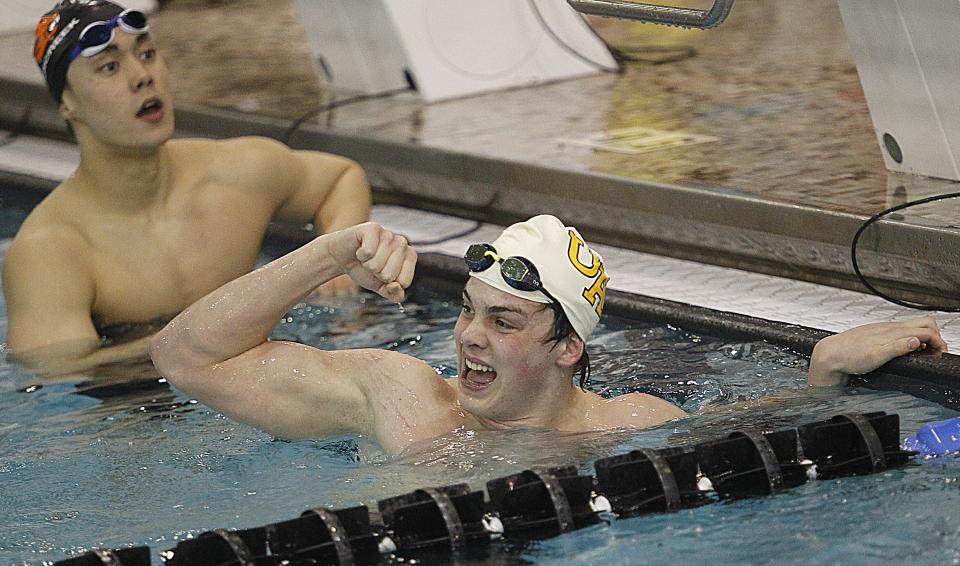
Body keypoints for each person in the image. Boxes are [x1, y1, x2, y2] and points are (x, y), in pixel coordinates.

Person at [150, 215, 949, 455]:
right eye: (467, 310)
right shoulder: (396, 397)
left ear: (569, 346)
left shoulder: (630, 423)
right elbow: (183, 357)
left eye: (504, 321)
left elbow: (756, 441)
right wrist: (327, 252)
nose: (468, 337)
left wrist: (822, 375)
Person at [3, 0, 371, 375]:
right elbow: (56, 371)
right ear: (67, 103)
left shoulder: (235, 173)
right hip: (135, 412)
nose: (141, 76)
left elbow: (342, 178)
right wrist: (198, 340)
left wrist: (338, 262)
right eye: (109, 67)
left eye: (146, 54)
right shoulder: (49, 251)